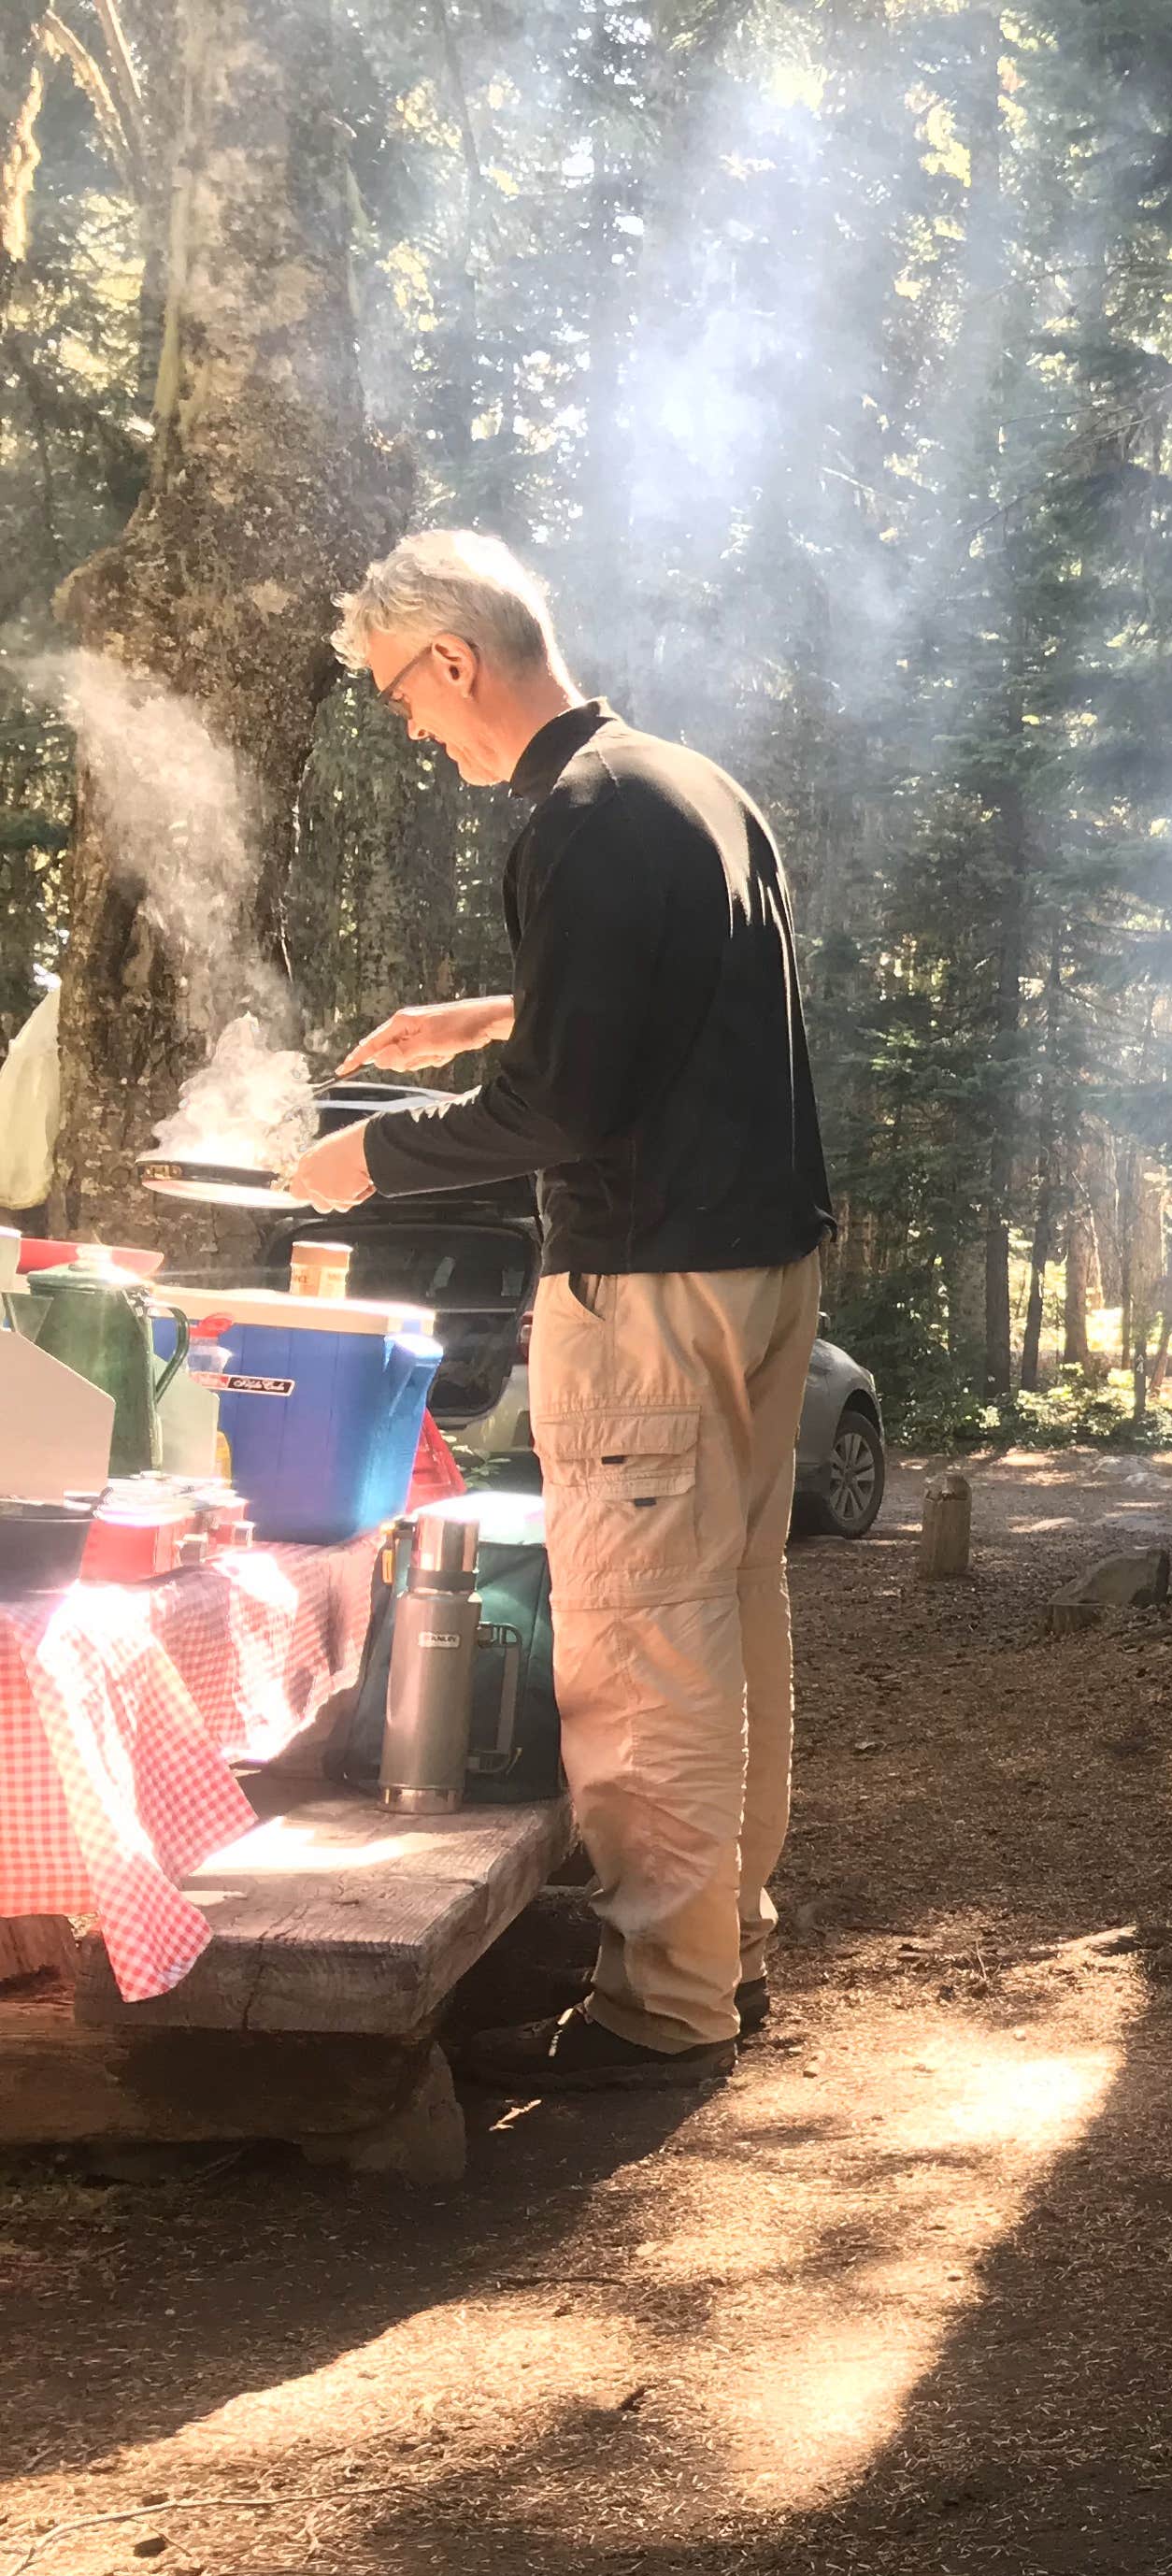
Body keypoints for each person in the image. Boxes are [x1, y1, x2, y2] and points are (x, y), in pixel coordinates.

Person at [287, 530, 836, 2092]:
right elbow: (679, 1002)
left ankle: (664, 2006)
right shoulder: (685, 786)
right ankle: (720, 1951)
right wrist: (495, 1009)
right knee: (729, 1619)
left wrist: (370, 1160)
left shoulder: (576, 826)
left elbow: (568, 1109)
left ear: (454, 660)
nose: (411, 725)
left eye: (402, 694)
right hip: (762, 1271)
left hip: (652, 1286)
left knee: (643, 1642)